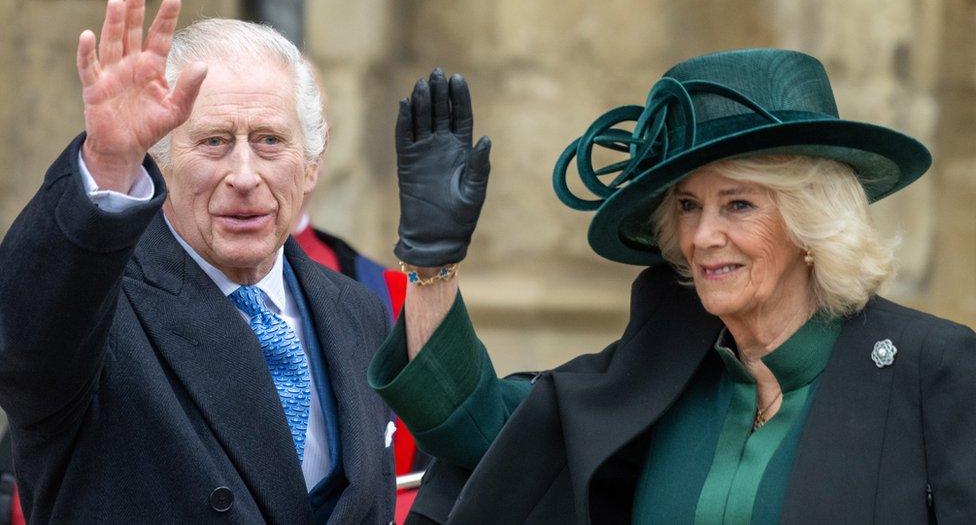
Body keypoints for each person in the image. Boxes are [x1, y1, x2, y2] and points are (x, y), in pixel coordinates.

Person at [368, 50, 976, 523]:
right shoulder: (665, 366)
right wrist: (432, 263)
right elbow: (475, 427)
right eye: (688, 206)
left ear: (810, 221)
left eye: (738, 205)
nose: (704, 235)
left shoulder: (930, 368)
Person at [0, 0, 394, 523]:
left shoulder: (358, 310)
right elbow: (21, 340)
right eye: (212, 141)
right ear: (158, 158)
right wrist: (109, 162)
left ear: (311, 164)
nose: (244, 176)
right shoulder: (102, 308)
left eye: (269, 141)